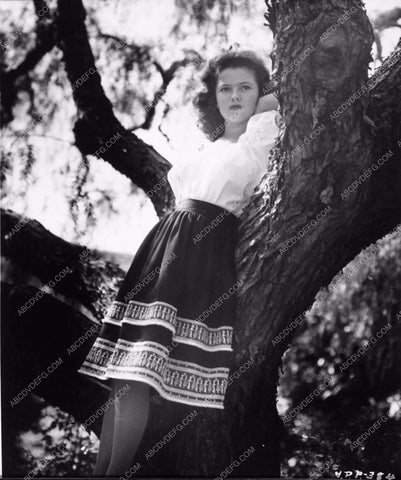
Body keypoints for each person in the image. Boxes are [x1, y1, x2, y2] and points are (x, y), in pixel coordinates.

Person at [77, 48, 282, 476]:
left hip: (202, 253)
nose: (234, 95)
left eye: (246, 87)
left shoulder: (260, 137)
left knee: (139, 374)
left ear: (261, 92)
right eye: (224, 88)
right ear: (212, 95)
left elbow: (276, 100)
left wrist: (265, 89)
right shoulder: (209, 146)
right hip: (163, 247)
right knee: (123, 375)